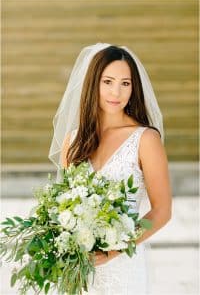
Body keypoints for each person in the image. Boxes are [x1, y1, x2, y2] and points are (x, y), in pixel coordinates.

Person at [48, 43, 172, 295]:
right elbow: (64, 206)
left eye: (125, 83)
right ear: (94, 83)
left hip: (123, 267)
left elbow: (162, 211)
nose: (116, 91)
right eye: (108, 81)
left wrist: (112, 250)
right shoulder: (73, 141)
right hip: (80, 269)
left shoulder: (145, 139)